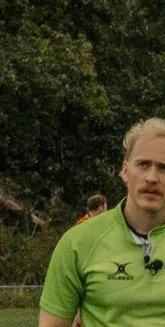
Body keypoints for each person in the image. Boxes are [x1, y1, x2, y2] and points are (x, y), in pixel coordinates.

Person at [37, 118, 165, 327]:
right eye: (143, 164)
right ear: (125, 170)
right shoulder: (77, 242)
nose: (152, 177)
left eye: (163, 168)